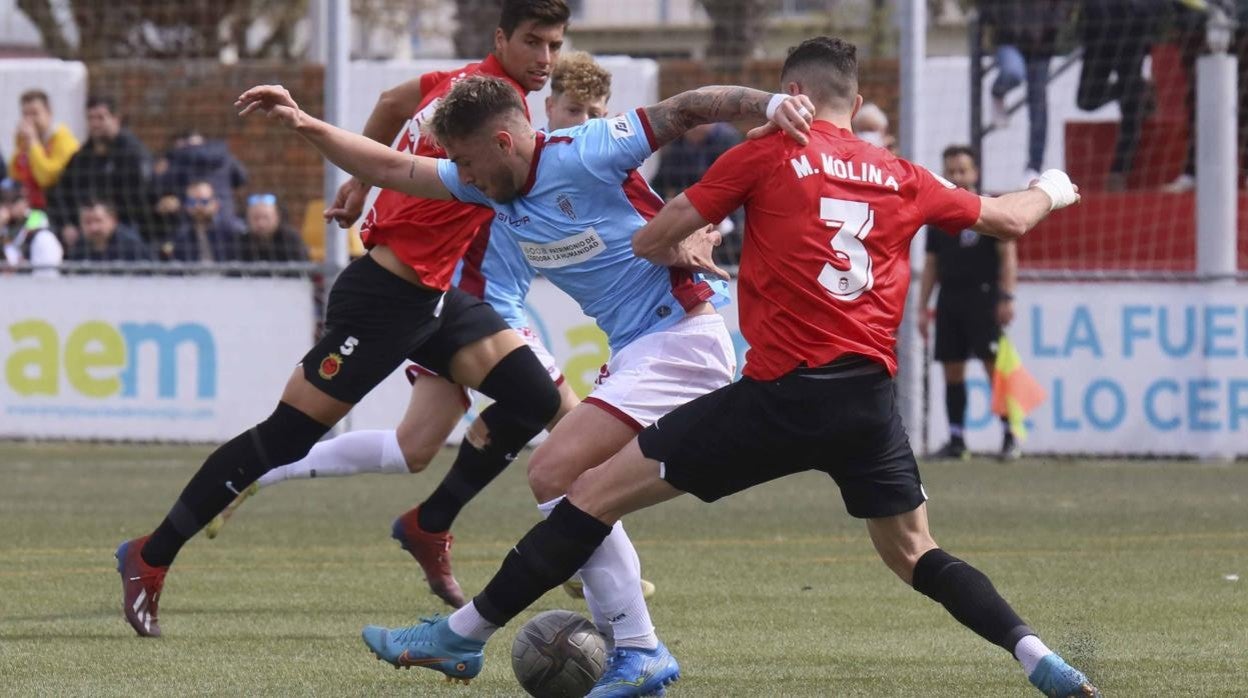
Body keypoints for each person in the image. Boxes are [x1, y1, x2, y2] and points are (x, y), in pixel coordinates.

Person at [340, 36, 1099, 698]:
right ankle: (1038, 657)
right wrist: (1054, 186)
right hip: (869, 403)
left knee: (572, 485)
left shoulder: (765, 153)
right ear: (856, 100)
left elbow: (659, 224)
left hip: (768, 392)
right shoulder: (900, 171)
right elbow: (1008, 217)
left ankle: (493, 637)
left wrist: (684, 233)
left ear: (791, 96)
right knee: (915, 553)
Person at [235, 64, 813, 697]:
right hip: (642, 350)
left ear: (503, 143)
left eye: (466, 160)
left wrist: (770, 106)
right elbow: (393, 169)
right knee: (578, 487)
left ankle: (577, 641)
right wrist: (303, 122)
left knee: (554, 472)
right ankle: (634, 646)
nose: (462, 175)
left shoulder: (587, 149)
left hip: (681, 342)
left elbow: (691, 105)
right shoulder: (489, 184)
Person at [113, 0, 571, 641]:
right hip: (384, 298)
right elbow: (413, 151)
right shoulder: (498, 115)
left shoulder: (460, 86)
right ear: (503, 38)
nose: (546, 58)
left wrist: (357, 187)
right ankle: (149, 556)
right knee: (283, 437)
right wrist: (357, 170)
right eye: (534, 42)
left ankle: (430, 523)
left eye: (555, 43)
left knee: (534, 398)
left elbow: (388, 101)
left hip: (435, 300)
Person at [202, 54, 613, 607]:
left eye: (596, 112)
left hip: (465, 308)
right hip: (470, 306)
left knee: (413, 448)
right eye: (574, 109)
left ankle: (402, 514)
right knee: (568, 417)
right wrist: (360, 184)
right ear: (544, 107)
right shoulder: (504, 152)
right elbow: (399, 121)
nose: (583, 120)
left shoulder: (573, 161)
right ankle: (584, 564)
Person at [918, 145, 1019, 460]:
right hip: (950, 299)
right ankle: (957, 440)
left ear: (975, 172)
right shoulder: (939, 215)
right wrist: (923, 306)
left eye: (963, 169)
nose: (957, 176)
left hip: (984, 296)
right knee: (952, 369)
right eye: (951, 170)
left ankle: (1009, 435)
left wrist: (1007, 296)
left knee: (993, 368)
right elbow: (931, 264)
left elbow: (1007, 256)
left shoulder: (989, 207)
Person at [1076, 0, 1164, 191]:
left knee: (1130, 108)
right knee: (1086, 100)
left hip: (1132, 33)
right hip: (1099, 36)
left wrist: (1137, 12)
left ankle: (1119, 171)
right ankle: (1139, 87)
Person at [981, 0, 1070, 185]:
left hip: (1041, 45)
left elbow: (1063, 7)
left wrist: (1053, 24)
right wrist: (994, 21)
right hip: (1009, 40)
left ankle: (1033, 166)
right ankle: (998, 92)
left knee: (1038, 105)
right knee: (1013, 73)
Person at [48, 95, 154, 240]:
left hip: (126, 228)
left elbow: (141, 198)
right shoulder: (82, 156)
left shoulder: (133, 153)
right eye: (91, 118)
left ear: (116, 118)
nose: (95, 123)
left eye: (101, 117)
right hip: (86, 228)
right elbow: (62, 191)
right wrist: (67, 224)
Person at [8, 90, 79, 211]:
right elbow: (15, 174)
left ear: (49, 112)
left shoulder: (64, 140)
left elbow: (47, 179)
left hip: (57, 210)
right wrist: (20, 143)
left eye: (35, 113)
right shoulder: (27, 141)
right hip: (29, 207)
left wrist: (33, 143)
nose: (29, 120)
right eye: (25, 114)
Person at [168, 180, 245, 262]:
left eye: (204, 201)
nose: (198, 206)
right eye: (192, 202)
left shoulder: (233, 231)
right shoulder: (180, 235)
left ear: (216, 204)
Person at [1, 180, 62, 277]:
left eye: (13, 200)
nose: (7, 206)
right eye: (3, 200)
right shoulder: (6, 225)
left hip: (36, 281)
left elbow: (16, 247)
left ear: (25, 201)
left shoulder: (38, 220)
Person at [65, 198, 154, 263]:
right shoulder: (78, 249)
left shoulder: (132, 248)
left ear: (113, 221)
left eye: (98, 221)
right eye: (87, 222)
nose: (93, 228)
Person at [237, 193, 307, 263]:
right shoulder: (240, 241)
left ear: (278, 217)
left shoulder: (291, 240)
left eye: (266, 218)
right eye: (255, 218)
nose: (261, 224)